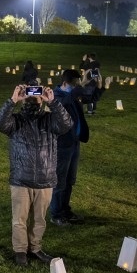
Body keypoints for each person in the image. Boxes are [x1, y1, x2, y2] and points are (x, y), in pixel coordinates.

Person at [0, 83, 73, 266]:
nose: (32, 96)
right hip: (21, 179)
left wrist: (53, 102)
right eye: (29, 93)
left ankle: (35, 248)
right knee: (19, 220)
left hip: (45, 180)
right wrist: (13, 100)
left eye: (36, 93)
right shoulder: (15, 120)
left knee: (39, 220)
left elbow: (67, 124)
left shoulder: (50, 119)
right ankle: (20, 250)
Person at [50, 70, 89, 226]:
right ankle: (56, 213)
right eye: (74, 84)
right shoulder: (56, 96)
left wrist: (99, 86)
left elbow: (88, 97)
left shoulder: (71, 94)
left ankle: (65, 209)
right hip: (61, 144)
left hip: (74, 142)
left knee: (69, 180)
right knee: (60, 181)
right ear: (65, 83)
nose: (76, 87)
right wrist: (80, 87)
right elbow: (64, 104)